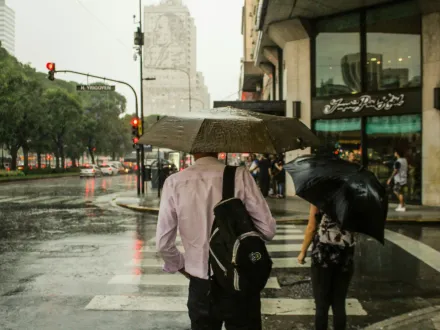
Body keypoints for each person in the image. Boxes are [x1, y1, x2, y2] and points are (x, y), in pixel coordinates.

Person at [156, 152, 276, 330]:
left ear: (191, 148)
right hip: (239, 280)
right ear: (219, 146)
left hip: (201, 286)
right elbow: (268, 230)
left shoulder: (174, 182)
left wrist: (182, 265)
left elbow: (163, 244)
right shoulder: (239, 175)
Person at [298, 204, 355, 330]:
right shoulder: (353, 196)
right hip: (345, 253)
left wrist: (303, 251)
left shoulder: (320, 194)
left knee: (321, 305)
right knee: (339, 303)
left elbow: (312, 227)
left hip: (324, 253)